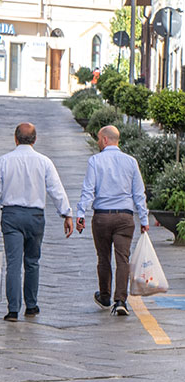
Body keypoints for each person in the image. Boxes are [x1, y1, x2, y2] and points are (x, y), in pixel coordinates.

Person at [0, 123, 74, 321]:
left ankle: (13, 310)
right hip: (35, 217)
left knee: (14, 264)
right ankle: (31, 305)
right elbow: (56, 190)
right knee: (32, 262)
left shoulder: (4, 161)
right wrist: (66, 214)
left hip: (11, 216)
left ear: (15, 139)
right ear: (35, 140)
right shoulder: (44, 162)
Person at [76, 125, 150, 316]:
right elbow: (138, 194)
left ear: (106, 140)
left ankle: (105, 295)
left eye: (99, 139)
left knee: (103, 257)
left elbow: (88, 190)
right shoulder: (131, 162)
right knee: (123, 258)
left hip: (102, 217)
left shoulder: (95, 161)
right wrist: (144, 218)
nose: (98, 142)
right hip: (125, 217)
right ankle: (120, 301)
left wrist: (80, 214)